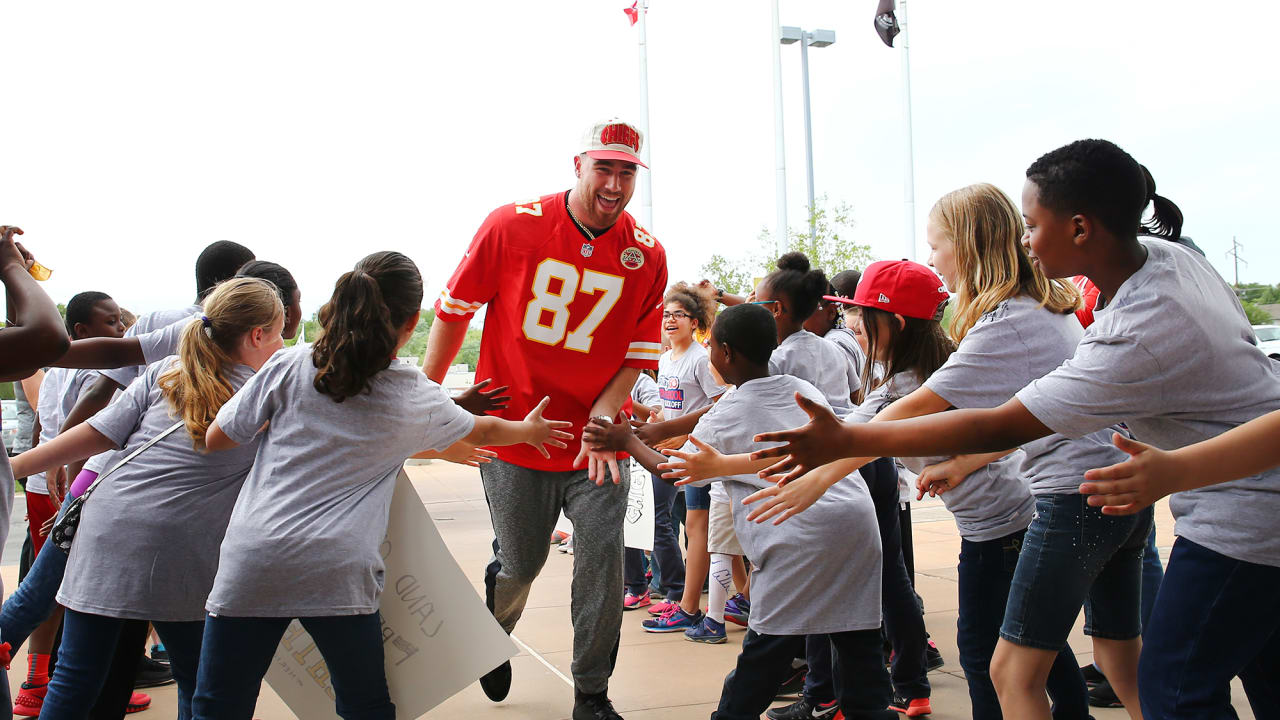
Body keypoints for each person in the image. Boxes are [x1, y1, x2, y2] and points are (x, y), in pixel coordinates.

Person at [747, 140, 1277, 719]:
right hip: (1178, 493)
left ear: (1080, 228)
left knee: (1084, 677)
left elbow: (994, 420)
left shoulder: (1121, 331)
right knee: (1137, 662)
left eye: (1033, 224)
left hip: (1216, 509)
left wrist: (845, 447)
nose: (1025, 238)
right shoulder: (1168, 259)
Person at [192, 251, 570, 720]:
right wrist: (531, 432)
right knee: (364, 703)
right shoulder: (414, 394)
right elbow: (484, 429)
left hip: (255, 558)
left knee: (218, 702)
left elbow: (217, 438)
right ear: (413, 322)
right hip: (338, 569)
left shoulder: (289, 366)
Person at [423, 118, 666, 720]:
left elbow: (637, 356)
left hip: (596, 442)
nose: (614, 183)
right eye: (603, 168)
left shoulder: (648, 253)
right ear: (578, 165)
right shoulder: (512, 223)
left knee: (602, 562)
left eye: (627, 170)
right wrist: (426, 397)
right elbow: (454, 309)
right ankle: (493, 627)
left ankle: (592, 694)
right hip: (514, 434)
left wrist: (607, 417)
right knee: (522, 562)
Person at [584, 303, 896, 720]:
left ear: (726, 353)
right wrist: (657, 430)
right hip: (855, 524)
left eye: (710, 345)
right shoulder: (800, 388)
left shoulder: (729, 414)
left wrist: (627, 440)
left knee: (763, 657)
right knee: (860, 651)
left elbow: (672, 472)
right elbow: (716, 411)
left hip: (799, 537)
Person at [8, 277, 286, 720]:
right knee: (201, 686)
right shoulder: (266, 394)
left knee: (75, 677)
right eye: (279, 334)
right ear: (257, 336)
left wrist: (16, 466)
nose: (282, 344)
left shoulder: (166, 371)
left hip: (104, 529)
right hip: (182, 549)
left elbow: (98, 432)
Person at [0, 224, 71, 720]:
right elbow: (45, 338)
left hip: (46, 480)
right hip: (54, 486)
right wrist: (9, 268)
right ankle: (39, 676)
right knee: (49, 585)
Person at [639, 283, 729, 638]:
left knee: (698, 529)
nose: (670, 320)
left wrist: (684, 433)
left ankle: (690, 604)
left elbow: (722, 403)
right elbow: (671, 404)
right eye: (666, 314)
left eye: (679, 315)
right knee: (687, 526)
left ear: (696, 323)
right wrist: (657, 419)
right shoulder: (665, 359)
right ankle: (689, 600)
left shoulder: (700, 359)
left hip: (699, 457)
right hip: (673, 455)